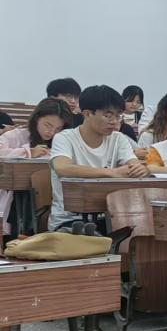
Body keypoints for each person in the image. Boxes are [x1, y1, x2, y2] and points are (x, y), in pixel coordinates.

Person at [49, 85, 148, 231]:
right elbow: (62, 168)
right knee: (89, 237)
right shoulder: (64, 138)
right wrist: (110, 172)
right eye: (108, 116)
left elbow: (133, 165)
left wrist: (139, 169)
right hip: (70, 219)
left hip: (110, 217)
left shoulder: (118, 139)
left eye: (118, 116)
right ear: (88, 114)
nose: (114, 121)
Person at [0, 98, 74, 235]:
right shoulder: (16, 135)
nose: (51, 132)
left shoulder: (62, 141)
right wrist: (28, 152)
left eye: (58, 129)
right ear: (36, 118)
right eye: (47, 125)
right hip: (16, 197)